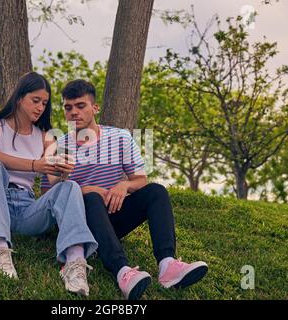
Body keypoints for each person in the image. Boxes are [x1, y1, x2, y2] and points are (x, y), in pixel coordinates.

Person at [41, 79, 208, 300]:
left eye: (80, 106)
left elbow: (140, 180)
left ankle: (168, 265)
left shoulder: (120, 137)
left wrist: (124, 185)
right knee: (91, 197)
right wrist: (86, 190)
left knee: (156, 191)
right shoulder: (58, 145)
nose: (73, 112)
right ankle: (122, 271)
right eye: (68, 107)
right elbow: (48, 197)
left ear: (95, 108)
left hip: (112, 216)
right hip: (79, 223)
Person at [0, 72, 98, 296]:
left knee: (70, 187)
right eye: (35, 100)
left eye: (45, 103)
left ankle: (75, 263)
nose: (40, 107)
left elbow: (52, 179)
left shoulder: (45, 135)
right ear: (19, 98)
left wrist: (61, 171)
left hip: (25, 209)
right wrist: (34, 165)